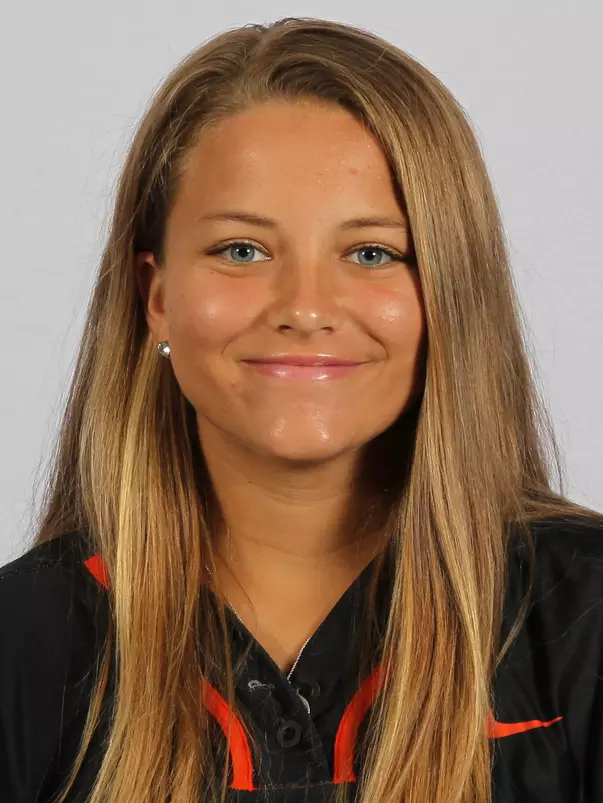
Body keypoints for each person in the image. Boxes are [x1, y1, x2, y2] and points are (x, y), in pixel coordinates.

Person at [1, 15, 602, 803]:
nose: (305, 307)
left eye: (371, 253)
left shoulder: (584, 616)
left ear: (449, 293)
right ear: (156, 295)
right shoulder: (22, 641)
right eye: (241, 250)